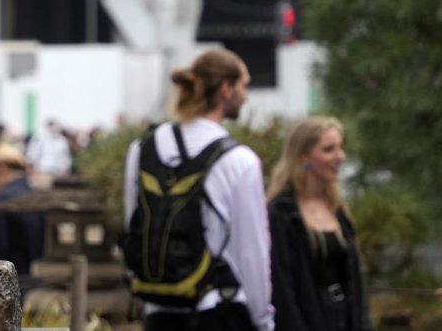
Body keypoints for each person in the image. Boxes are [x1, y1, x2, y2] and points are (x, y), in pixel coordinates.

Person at [122, 48, 274, 331]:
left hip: (159, 310)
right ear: (226, 89)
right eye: (245, 85)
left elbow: (133, 223)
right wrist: (264, 320)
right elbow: (252, 252)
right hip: (218, 308)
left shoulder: (141, 149)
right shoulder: (240, 161)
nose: (247, 95)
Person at [267, 117, 372, 331]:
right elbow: (282, 291)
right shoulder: (282, 214)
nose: (340, 157)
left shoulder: (339, 210)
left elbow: (356, 284)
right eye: (328, 149)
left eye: (340, 148)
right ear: (303, 156)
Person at [0, 145, 44, 277]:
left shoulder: (2, 199)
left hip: (9, 272)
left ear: (2, 169)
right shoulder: (33, 193)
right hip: (30, 269)